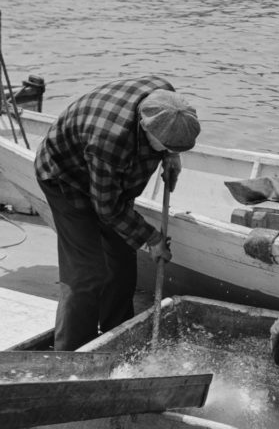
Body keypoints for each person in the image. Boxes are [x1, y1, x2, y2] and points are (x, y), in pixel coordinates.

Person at [35, 76, 201, 350]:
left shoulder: (167, 98)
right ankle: (74, 353)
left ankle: (117, 335)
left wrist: (171, 155)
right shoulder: (110, 143)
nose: (170, 151)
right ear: (147, 129)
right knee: (87, 273)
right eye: (167, 146)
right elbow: (108, 208)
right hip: (66, 178)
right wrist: (153, 238)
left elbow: (113, 205)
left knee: (122, 262)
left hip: (107, 183)